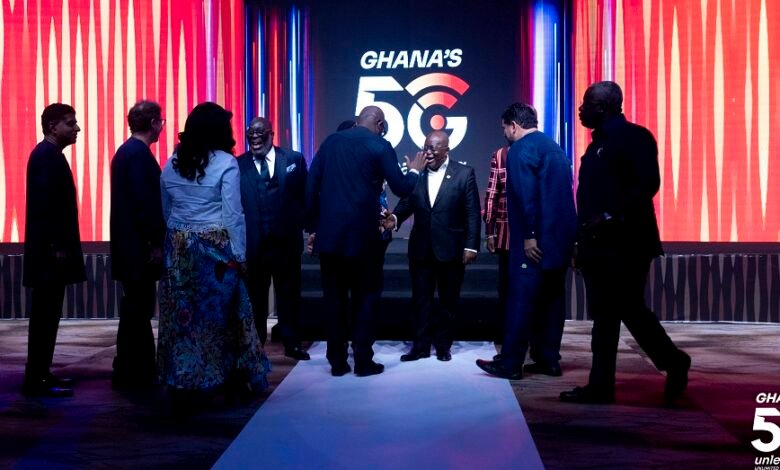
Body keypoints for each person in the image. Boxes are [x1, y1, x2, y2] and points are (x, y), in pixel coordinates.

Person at [560, 81, 691, 404]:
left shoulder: (635, 137)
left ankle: (673, 361)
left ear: (602, 107)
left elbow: (648, 184)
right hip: (597, 246)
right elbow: (587, 198)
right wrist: (580, 242)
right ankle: (601, 385)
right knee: (606, 316)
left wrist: (607, 216)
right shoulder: (596, 145)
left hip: (627, 243)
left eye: (586, 103)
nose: (580, 109)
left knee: (628, 309)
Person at [157, 102, 269, 406]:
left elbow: (166, 204)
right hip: (215, 252)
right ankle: (228, 379)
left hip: (179, 248)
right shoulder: (226, 163)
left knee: (183, 319)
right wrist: (241, 255)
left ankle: (183, 379)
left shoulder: (174, 160)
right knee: (226, 318)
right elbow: (234, 215)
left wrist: (180, 232)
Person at [306, 106, 426, 377]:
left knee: (334, 301)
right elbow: (402, 187)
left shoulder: (330, 142)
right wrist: (415, 171)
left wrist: (313, 227)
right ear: (380, 124)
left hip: (331, 239)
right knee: (366, 299)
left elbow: (311, 187)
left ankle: (337, 361)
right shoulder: (379, 145)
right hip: (364, 240)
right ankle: (362, 361)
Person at [476, 103, 577, 380]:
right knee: (553, 301)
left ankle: (510, 363)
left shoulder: (520, 150)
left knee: (521, 300)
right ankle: (548, 360)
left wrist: (530, 235)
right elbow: (566, 197)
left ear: (514, 125)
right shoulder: (554, 148)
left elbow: (524, 196)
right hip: (559, 241)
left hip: (534, 243)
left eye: (504, 128)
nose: (505, 134)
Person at [384, 130, 481, 362]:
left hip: (451, 248)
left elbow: (472, 212)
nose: (428, 152)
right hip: (421, 247)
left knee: (448, 301)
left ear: (446, 149)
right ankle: (420, 346)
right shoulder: (417, 173)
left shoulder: (464, 173)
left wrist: (471, 246)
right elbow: (407, 201)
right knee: (421, 300)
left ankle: (443, 345)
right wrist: (395, 218)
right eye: (426, 147)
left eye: (434, 148)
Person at [22, 103, 85, 397]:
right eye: (70, 124)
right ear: (52, 127)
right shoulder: (46, 157)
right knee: (45, 316)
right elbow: (46, 209)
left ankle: (41, 374)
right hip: (49, 257)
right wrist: (57, 246)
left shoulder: (48, 156)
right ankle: (37, 379)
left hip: (49, 254)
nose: (77, 129)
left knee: (48, 316)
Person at [237, 117, 309, 361]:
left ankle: (292, 344)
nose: (254, 137)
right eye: (250, 134)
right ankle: (255, 349)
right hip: (254, 245)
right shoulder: (238, 165)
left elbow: (304, 197)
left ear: (271, 134)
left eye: (259, 133)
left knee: (289, 295)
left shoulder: (294, 160)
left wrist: (306, 227)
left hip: (286, 243)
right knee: (255, 298)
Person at [109, 100, 167, 390]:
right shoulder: (140, 156)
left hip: (127, 246)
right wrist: (154, 243)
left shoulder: (125, 153)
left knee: (133, 308)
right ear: (154, 123)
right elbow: (145, 206)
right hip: (138, 249)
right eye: (161, 121)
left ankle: (130, 367)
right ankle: (137, 369)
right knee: (139, 308)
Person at [483, 145, 510, 343]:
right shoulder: (500, 154)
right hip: (506, 233)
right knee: (507, 289)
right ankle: (507, 338)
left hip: (520, 234)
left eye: (504, 126)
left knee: (511, 290)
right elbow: (492, 193)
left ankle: (512, 339)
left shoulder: (502, 154)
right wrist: (489, 231)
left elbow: (492, 194)